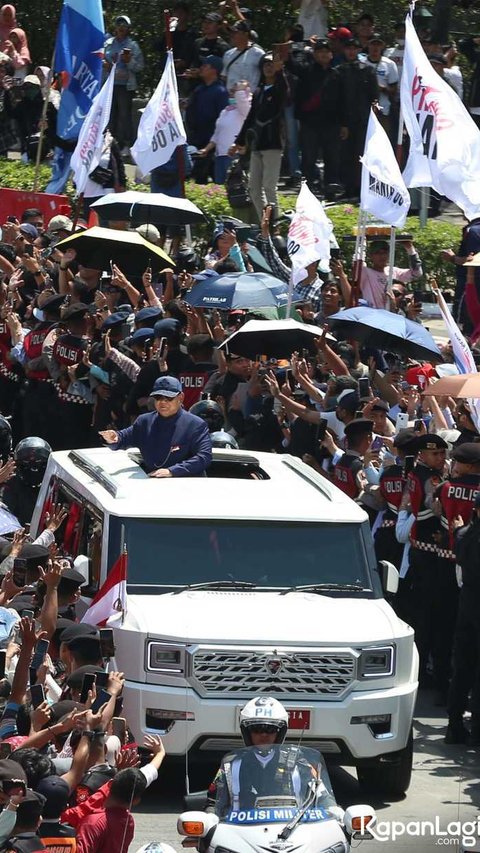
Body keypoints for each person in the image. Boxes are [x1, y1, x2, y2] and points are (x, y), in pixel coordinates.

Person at [207, 696, 336, 816]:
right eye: (257, 729)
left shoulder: (300, 763)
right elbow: (212, 805)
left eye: (270, 729)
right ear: (246, 732)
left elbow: (324, 797)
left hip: (291, 832)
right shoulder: (230, 766)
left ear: (280, 732)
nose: (264, 735)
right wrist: (208, 818)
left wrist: (337, 813)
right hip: (239, 834)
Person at [100, 375, 213, 477]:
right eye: (158, 397)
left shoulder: (196, 425)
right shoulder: (144, 421)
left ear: (180, 398)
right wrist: (114, 438)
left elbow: (204, 457)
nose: (162, 402)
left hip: (187, 484)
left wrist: (172, 471)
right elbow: (123, 437)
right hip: (152, 483)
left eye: (168, 398)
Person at [234, 55, 289, 222]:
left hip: (273, 143)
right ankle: (265, 223)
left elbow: (284, 90)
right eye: (265, 64)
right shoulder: (259, 91)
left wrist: (281, 72)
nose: (268, 67)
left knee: (269, 186)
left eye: (271, 64)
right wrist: (239, 141)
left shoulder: (279, 89)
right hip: (257, 144)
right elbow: (250, 117)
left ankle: (276, 225)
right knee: (254, 188)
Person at [445, 493, 480, 745]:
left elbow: (459, 539)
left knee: (462, 670)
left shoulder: (463, 535)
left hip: (466, 606)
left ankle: (454, 724)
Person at [104, 15, 144, 156]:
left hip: (125, 86)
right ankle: (109, 144)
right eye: (118, 24)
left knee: (124, 116)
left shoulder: (133, 46)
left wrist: (128, 61)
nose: (121, 27)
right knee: (109, 115)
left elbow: (139, 67)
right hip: (109, 86)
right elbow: (100, 59)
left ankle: (125, 145)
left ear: (128, 29)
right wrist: (105, 65)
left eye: (124, 25)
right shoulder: (107, 43)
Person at [360, 240, 423, 310]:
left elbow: (416, 273)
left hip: (392, 315)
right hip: (373, 316)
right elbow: (358, 263)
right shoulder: (365, 272)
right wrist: (363, 241)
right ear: (371, 256)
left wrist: (410, 248)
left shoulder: (393, 271)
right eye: (377, 253)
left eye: (385, 253)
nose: (382, 256)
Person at [222, 21, 265, 93]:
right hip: (231, 99)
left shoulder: (258, 53)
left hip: (250, 98)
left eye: (235, 32)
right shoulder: (227, 54)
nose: (232, 35)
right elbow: (224, 77)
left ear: (245, 34)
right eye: (231, 32)